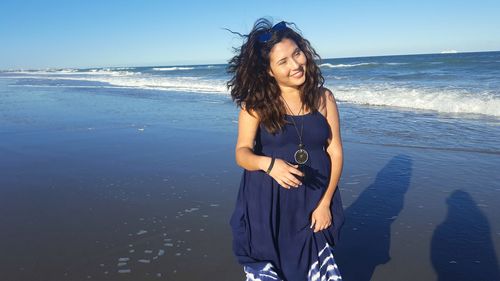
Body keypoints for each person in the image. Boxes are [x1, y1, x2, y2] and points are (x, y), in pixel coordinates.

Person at [227, 18, 345, 281]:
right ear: (268, 71)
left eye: (297, 53)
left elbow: (335, 151)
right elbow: (241, 153)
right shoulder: (255, 105)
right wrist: (269, 164)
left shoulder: (323, 97)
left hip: (313, 200)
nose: (295, 65)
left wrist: (325, 203)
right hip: (267, 203)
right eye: (283, 62)